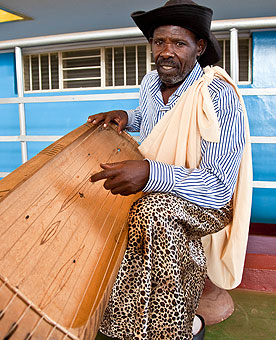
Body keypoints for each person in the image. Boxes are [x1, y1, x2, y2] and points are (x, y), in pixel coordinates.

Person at [88, 0, 252, 339]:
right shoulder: (150, 84)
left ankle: (176, 326)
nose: (167, 51)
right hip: (158, 188)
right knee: (109, 202)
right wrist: (126, 117)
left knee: (153, 210)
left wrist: (150, 174)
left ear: (199, 47)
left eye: (179, 43)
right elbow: (155, 122)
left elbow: (219, 187)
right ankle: (122, 324)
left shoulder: (218, 95)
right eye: (160, 41)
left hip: (208, 201)